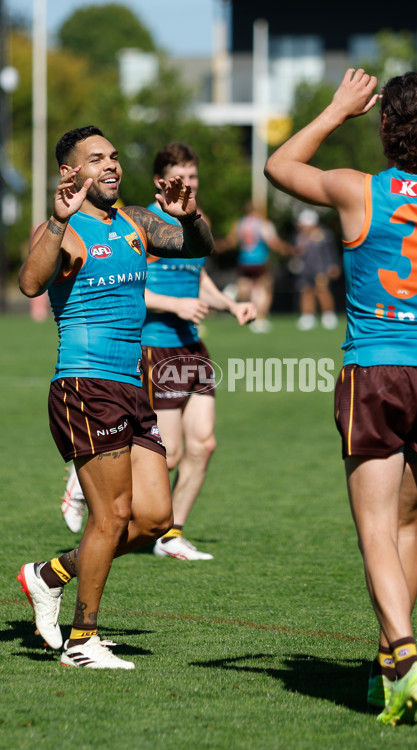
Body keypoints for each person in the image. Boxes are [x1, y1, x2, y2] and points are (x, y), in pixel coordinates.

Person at [265, 69, 417, 725]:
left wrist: (339, 109)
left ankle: (406, 654)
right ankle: (386, 668)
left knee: (374, 533)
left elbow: (281, 166)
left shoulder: (358, 190)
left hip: (376, 372)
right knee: (408, 526)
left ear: (384, 128)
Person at [16, 125, 214, 669]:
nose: (111, 166)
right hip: (85, 384)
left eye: (114, 156)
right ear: (69, 173)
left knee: (152, 519)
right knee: (111, 515)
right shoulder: (64, 229)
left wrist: (190, 212)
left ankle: (48, 575)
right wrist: (56, 221)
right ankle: (82, 643)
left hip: (131, 385)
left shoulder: (136, 222)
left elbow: (201, 248)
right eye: (96, 158)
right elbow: (31, 283)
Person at [61, 142, 257, 559]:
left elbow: (197, 277)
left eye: (195, 178)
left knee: (203, 445)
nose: (190, 186)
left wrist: (229, 303)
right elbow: (128, 284)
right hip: (155, 346)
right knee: (166, 455)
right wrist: (174, 305)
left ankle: (171, 535)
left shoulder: (191, 221)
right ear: (160, 181)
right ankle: (83, 480)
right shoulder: (139, 223)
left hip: (192, 344)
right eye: (182, 178)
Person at [220, 201, 289, 333]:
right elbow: (273, 242)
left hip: (244, 261)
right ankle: (260, 318)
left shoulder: (239, 224)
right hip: (260, 261)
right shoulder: (263, 224)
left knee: (245, 289)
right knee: (266, 287)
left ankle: (232, 291)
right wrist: (286, 249)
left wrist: (221, 246)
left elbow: (231, 241)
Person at [291, 208, 341, 331]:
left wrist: (333, 265)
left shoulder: (324, 235)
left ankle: (328, 315)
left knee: (322, 291)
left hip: (320, 269)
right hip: (305, 270)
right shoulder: (299, 237)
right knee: (306, 291)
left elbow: (330, 252)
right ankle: (308, 316)